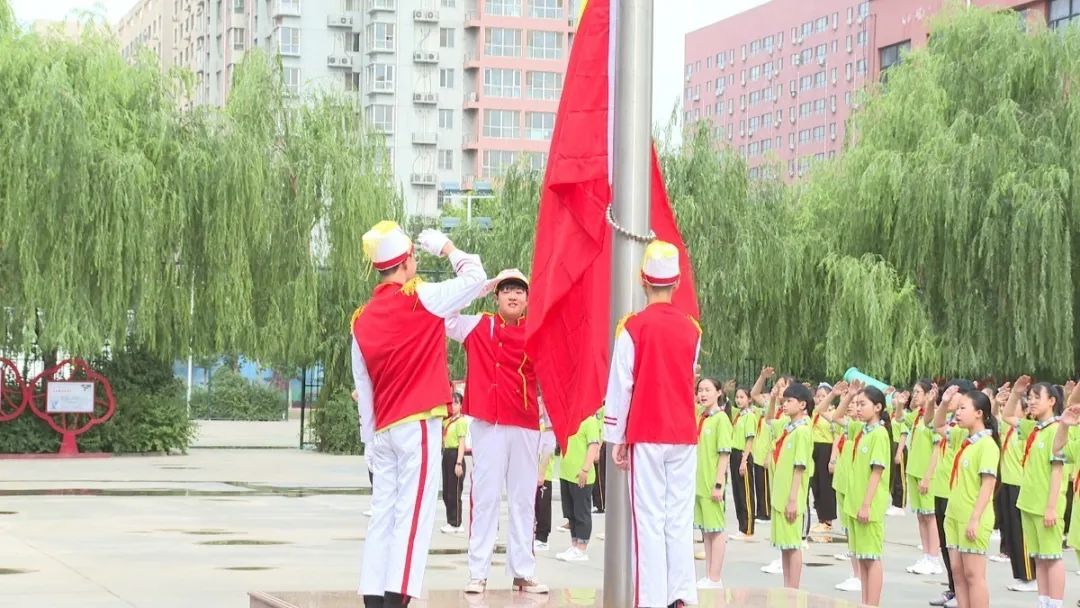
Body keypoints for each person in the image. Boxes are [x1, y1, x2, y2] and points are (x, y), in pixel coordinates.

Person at [351, 222, 487, 608]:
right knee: (414, 514)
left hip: (383, 430)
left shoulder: (361, 320)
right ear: (408, 261)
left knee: (383, 515)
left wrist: (368, 442)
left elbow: (364, 392)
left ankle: (374, 598)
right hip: (417, 423)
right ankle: (398, 600)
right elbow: (475, 276)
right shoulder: (421, 296)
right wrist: (446, 248)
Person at [603, 240, 700, 608]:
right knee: (678, 517)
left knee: (648, 519)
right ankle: (682, 595)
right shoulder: (693, 329)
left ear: (643, 281)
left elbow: (622, 384)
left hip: (647, 430)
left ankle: (650, 600)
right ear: (676, 284)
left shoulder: (633, 327)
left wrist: (616, 435)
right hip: (683, 433)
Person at [445, 268, 548, 595]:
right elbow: (445, 315)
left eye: (519, 291)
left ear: (528, 299)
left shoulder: (537, 329)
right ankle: (478, 573)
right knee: (485, 498)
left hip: (525, 423)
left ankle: (523, 571)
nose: (513, 295)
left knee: (522, 500)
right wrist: (478, 288)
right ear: (496, 295)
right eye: (506, 290)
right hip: (488, 424)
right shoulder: (480, 324)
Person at [1006, 376, 1067, 608]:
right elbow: (1008, 416)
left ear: (1051, 401)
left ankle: (1056, 603)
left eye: (1036, 398)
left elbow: (1057, 472)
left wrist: (1051, 507)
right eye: (1029, 398)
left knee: (1052, 557)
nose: (1031, 402)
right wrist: (1015, 394)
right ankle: (1043, 601)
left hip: (1046, 505)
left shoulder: (1057, 430)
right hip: (1028, 502)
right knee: (1039, 558)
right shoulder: (1034, 428)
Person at [943, 389, 1000, 608]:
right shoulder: (966, 441)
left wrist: (975, 518)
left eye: (962, 408)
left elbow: (988, 484)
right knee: (958, 573)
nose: (957, 413)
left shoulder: (987, 445)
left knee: (974, 575)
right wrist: (946, 401)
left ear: (979, 413)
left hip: (973, 516)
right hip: (954, 515)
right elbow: (937, 424)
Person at [842, 385, 892, 607]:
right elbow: (835, 416)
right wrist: (851, 395)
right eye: (857, 404)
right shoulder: (862, 431)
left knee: (871, 557)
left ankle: (873, 603)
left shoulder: (879, 434)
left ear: (878, 407)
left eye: (863, 404)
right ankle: (865, 602)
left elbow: (877, 471)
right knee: (862, 557)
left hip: (868, 505)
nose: (858, 408)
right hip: (854, 501)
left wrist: (866, 504)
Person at [926, 379, 975, 608]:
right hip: (942, 489)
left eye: (953, 395)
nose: (951, 399)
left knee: (958, 550)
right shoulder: (954, 427)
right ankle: (953, 588)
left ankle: (962, 593)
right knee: (947, 547)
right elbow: (933, 424)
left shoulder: (969, 432)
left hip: (956, 494)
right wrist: (943, 403)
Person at [768, 380, 814, 590]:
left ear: (803, 405)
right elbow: (769, 420)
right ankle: (787, 589)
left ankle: (793, 591)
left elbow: (800, 466)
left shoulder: (803, 431)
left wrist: (793, 499)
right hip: (780, 494)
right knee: (785, 546)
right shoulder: (787, 427)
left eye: (789, 401)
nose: (784, 404)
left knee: (793, 545)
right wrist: (772, 399)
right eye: (784, 400)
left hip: (790, 495)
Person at [996, 384, 1037, 592]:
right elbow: (1000, 416)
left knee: (1022, 532)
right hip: (1007, 483)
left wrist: (1017, 395)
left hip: (1020, 484)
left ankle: (1030, 576)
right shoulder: (1008, 429)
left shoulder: (1027, 429)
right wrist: (1007, 397)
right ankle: (1020, 574)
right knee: (1011, 530)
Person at [694, 378, 733, 589]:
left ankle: (716, 577)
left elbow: (724, 454)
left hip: (712, 484)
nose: (703, 394)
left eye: (708, 390)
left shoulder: (721, 420)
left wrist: (719, 484)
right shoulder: (701, 417)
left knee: (716, 530)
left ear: (718, 392)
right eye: (700, 390)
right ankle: (709, 574)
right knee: (706, 530)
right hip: (698, 483)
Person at [905, 381, 946, 577]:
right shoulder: (917, 416)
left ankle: (934, 557)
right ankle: (926, 555)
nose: (914, 395)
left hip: (927, 474)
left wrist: (928, 477)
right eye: (914, 392)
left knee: (930, 517)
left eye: (918, 392)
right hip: (914, 471)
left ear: (930, 394)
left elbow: (937, 449)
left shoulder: (936, 417)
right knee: (921, 516)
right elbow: (898, 418)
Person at [557, 409, 602, 562]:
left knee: (581, 512)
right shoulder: (569, 420)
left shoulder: (590, 421)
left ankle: (582, 547)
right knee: (571, 513)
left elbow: (594, 446)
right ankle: (574, 544)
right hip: (566, 473)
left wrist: (585, 469)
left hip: (581, 475)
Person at [809, 382, 838, 541]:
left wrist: (833, 459)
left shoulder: (834, 413)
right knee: (816, 484)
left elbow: (837, 437)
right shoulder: (815, 413)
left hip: (827, 449)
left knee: (826, 485)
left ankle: (828, 520)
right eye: (818, 395)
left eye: (823, 395)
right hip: (814, 448)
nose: (819, 398)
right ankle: (820, 518)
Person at [729, 385, 758, 541]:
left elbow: (750, 439)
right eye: (737, 397)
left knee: (746, 492)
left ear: (749, 399)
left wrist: (744, 461)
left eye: (742, 397)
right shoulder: (738, 415)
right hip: (734, 454)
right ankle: (741, 526)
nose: (739, 400)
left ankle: (748, 528)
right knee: (737, 492)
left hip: (743, 455)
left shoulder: (749, 416)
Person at [440, 393, 468, 534]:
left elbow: (462, 443)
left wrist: (458, 463)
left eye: (456, 403)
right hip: (446, 455)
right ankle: (450, 520)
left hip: (455, 455)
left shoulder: (461, 422)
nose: (453, 406)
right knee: (446, 491)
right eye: (452, 403)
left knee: (454, 491)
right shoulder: (448, 421)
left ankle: (456, 522)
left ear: (461, 405)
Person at [534, 400, 556, 552]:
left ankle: (543, 538)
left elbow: (547, 453)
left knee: (543, 507)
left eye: (542, 404)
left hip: (544, 475)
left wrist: (541, 473)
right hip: (534, 473)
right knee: (535, 506)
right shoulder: (540, 426)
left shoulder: (550, 430)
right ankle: (536, 534)